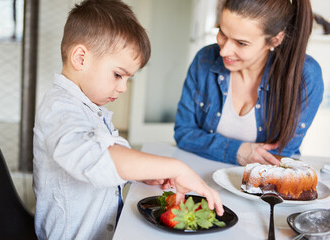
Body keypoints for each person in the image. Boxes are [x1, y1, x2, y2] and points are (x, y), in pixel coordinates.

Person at [33, 0, 223, 239]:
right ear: (81, 58)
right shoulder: (59, 110)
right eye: (118, 75)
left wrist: (138, 172)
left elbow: (107, 163)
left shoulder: (88, 105)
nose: (123, 87)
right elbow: (97, 156)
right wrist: (175, 167)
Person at [174, 0, 324, 166]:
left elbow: (280, 154)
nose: (224, 51)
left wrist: (218, 148)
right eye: (222, 33)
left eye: (241, 43)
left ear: (275, 39)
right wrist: (237, 151)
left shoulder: (304, 75)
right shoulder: (205, 59)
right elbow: (184, 133)